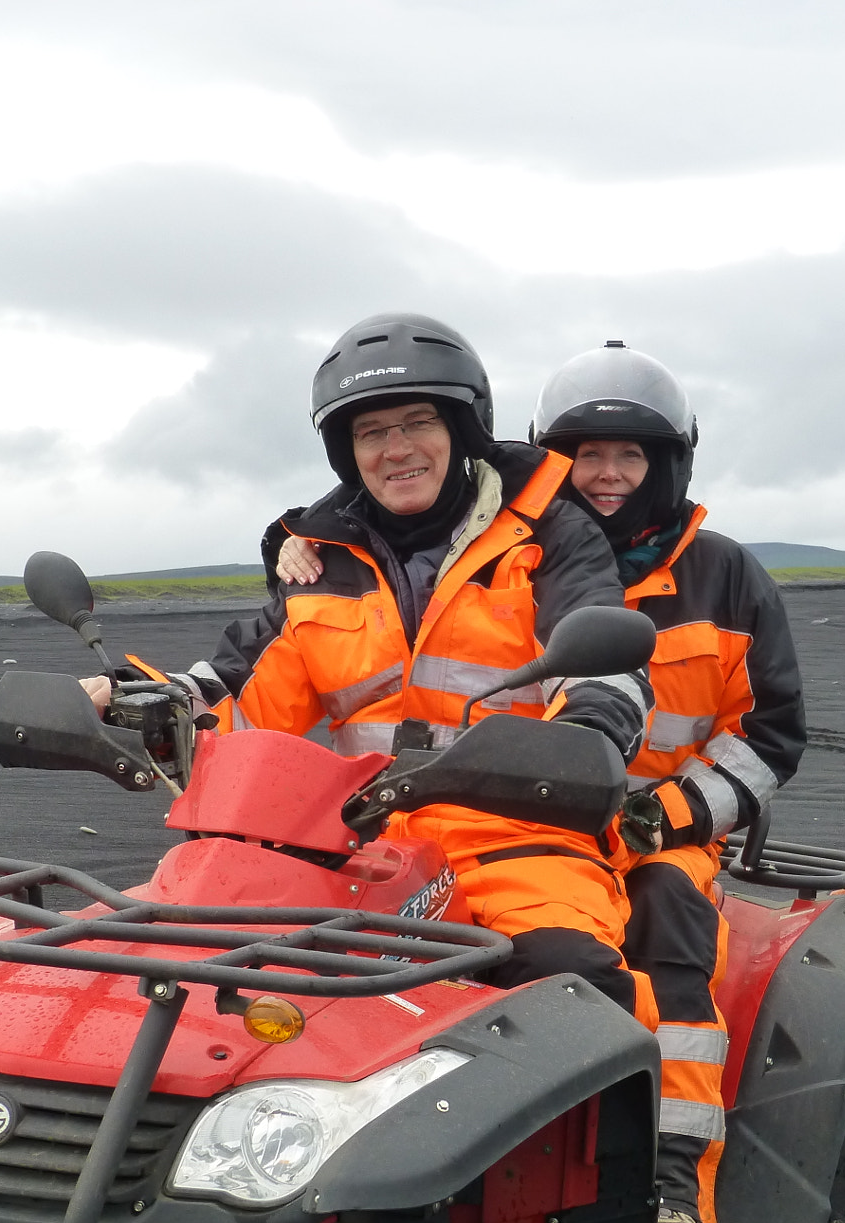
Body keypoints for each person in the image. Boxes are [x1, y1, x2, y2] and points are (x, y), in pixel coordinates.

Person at [276, 340, 805, 1223]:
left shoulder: (720, 575)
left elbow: (767, 738)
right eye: (585, 455)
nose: (605, 476)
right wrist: (296, 537)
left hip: (650, 822)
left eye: (629, 456)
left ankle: (667, 1178)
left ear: (669, 462)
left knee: (665, 932)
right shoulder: (522, 552)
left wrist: (668, 814)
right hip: (521, 808)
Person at [90, 312, 655, 1028]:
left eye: (416, 423)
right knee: (189, 975)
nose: (395, 449)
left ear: (463, 430)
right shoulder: (322, 561)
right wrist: (139, 700)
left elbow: (603, 653)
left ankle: (619, 1137)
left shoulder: (550, 534)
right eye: (370, 432)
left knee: (572, 988)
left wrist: (590, 730)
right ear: (345, 451)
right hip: (357, 840)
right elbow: (238, 679)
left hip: (517, 838)